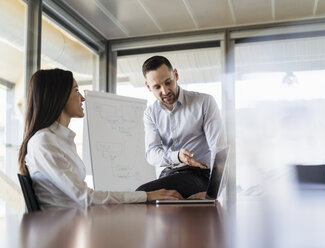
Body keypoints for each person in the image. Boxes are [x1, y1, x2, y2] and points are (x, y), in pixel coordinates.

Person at [18, 69, 182, 210]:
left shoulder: (60, 139)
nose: (82, 98)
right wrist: (146, 196)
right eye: (76, 90)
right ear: (58, 96)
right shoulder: (44, 141)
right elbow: (85, 198)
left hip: (77, 222)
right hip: (65, 230)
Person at [136, 56, 227, 198]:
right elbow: (152, 153)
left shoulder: (204, 102)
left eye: (168, 82)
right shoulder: (150, 113)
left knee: (142, 193)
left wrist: (214, 191)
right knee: (143, 197)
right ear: (148, 87)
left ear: (176, 75)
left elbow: (219, 149)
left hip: (200, 174)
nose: (165, 91)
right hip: (169, 174)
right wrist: (177, 156)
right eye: (157, 87)